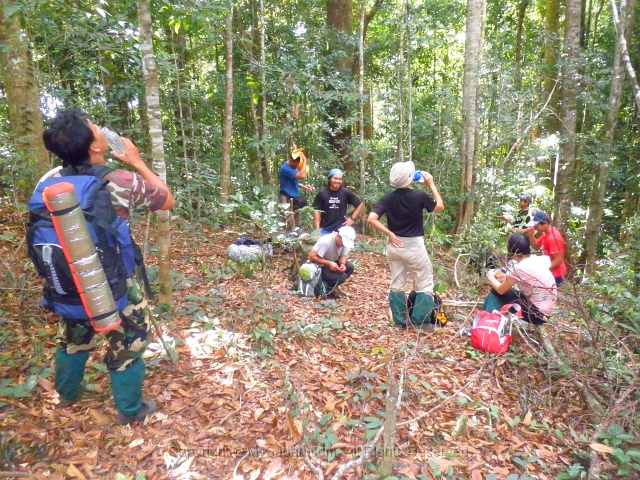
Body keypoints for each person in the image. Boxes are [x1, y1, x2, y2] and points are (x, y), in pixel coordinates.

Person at [38, 108, 175, 425]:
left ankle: (66, 395)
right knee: (129, 341)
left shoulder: (50, 181)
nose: (101, 130)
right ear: (94, 146)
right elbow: (166, 200)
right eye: (96, 128)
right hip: (113, 279)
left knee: (73, 337)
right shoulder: (119, 181)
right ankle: (130, 410)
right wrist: (136, 161)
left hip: (67, 278)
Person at [367, 161, 444, 328]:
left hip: (394, 246)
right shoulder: (419, 196)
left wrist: (390, 233)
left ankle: (400, 321)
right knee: (424, 282)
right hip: (414, 246)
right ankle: (420, 322)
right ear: (410, 178)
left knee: (397, 282)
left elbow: (371, 218)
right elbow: (439, 207)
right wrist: (431, 184)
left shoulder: (388, 198)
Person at [483, 233, 557, 325]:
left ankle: (488, 322)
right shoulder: (536, 260)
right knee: (507, 291)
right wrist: (504, 279)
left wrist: (490, 276)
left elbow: (500, 290)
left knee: (496, 291)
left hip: (537, 315)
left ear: (511, 249)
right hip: (544, 312)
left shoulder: (520, 268)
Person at [308, 226, 356, 298]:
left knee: (350, 267)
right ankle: (324, 287)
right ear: (338, 236)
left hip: (331, 263)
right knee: (342, 277)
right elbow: (311, 256)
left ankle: (331, 287)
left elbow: (343, 255)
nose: (343, 245)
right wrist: (329, 263)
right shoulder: (326, 241)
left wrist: (342, 264)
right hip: (318, 266)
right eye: (343, 243)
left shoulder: (344, 244)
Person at [312, 168, 363, 234]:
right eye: (335, 178)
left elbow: (360, 204)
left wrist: (352, 218)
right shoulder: (322, 193)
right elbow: (316, 211)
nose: (337, 181)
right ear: (329, 179)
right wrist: (317, 230)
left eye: (340, 179)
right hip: (325, 229)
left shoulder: (345, 192)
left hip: (341, 229)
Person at [524, 209, 567, 285]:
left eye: (536, 226)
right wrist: (530, 234)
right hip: (549, 271)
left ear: (545, 223)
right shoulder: (545, 233)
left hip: (555, 275)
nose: (535, 228)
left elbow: (559, 260)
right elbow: (536, 246)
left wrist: (543, 270)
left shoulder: (553, 238)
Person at [279, 148, 313, 230]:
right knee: (288, 223)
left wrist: (302, 186)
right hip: (286, 197)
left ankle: (297, 236)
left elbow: (290, 181)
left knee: (297, 223)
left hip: (294, 197)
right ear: (295, 161)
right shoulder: (285, 168)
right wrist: (304, 160)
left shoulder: (292, 167)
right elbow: (302, 176)